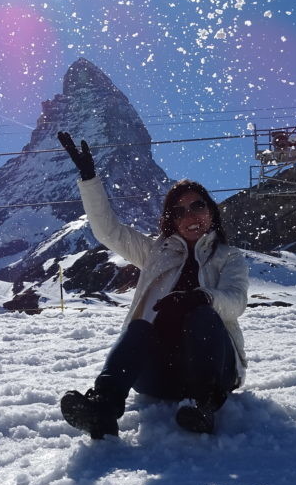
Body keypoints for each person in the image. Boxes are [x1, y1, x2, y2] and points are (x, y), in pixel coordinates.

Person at [57, 131, 249, 437]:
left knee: (202, 314)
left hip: (214, 370)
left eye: (198, 206)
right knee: (139, 327)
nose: (191, 216)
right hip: (159, 375)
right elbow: (109, 232)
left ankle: (202, 406)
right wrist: (89, 179)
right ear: (171, 221)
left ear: (211, 210)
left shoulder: (228, 258)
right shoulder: (155, 253)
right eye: (179, 211)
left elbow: (236, 301)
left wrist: (200, 298)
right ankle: (103, 409)